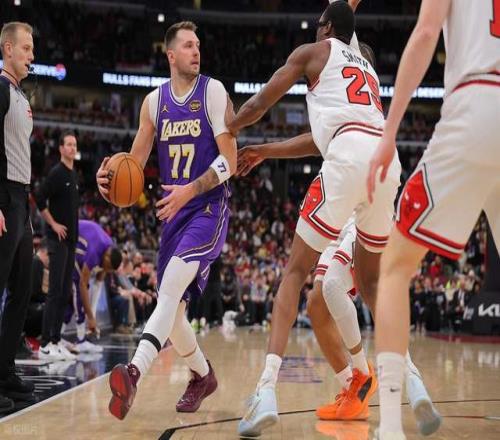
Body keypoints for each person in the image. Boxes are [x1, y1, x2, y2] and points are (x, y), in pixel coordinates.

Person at [225, 2, 401, 436]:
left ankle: (267, 388)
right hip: (383, 163)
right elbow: (320, 138)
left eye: (319, 23)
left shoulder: (315, 51)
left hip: (348, 164)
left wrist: (227, 129)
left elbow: (260, 102)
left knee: (295, 273)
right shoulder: (367, 72)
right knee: (334, 295)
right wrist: (265, 151)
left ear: (325, 28)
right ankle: (381, 381)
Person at [237, 99, 440, 435]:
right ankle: (355, 385)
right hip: (344, 206)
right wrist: (266, 151)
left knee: (332, 286)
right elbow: (316, 140)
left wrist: (243, 133)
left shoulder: (347, 97)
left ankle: (379, 375)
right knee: (316, 305)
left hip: (360, 204)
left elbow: (313, 136)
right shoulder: (346, 107)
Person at [366, 0, 500, 438]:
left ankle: (390, 426)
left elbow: (426, 33)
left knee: (395, 266)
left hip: (477, 104)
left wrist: (389, 133)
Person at [96, 21, 237, 420]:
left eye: (198, 45)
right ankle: (203, 376)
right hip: (172, 213)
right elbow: (134, 165)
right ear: (171, 55)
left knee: (171, 285)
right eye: (189, 46)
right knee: (172, 314)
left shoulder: (213, 91)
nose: (197, 51)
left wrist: (191, 190)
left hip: (207, 206)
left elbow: (231, 160)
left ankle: (133, 372)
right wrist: (109, 180)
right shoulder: (153, 103)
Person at [0, 21, 36, 412]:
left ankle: (5, 370)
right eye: (25, 48)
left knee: (23, 287)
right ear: (8, 49)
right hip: (5, 195)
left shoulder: (20, 95)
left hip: (21, 198)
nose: (31, 55)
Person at [43, 220, 122, 359]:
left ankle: (57, 336)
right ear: (106, 257)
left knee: (71, 302)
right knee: (78, 292)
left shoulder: (109, 254)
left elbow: (98, 285)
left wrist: (92, 316)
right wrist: (90, 318)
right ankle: (80, 340)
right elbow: (83, 285)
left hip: (79, 245)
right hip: (67, 243)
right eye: (107, 266)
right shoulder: (95, 251)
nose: (106, 269)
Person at [36, 131, 79, 360]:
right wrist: (53, 224)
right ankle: (44, 343)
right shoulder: (56, 173)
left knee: (64, 292)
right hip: (57, 240)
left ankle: (55, 339)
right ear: (61, 148)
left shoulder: (74, 174)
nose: (72, 148)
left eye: (74, 144)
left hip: (70, 242)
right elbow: (39, 198)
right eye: (68, 144)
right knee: (54, 292)